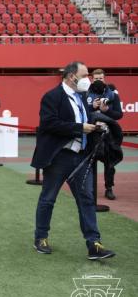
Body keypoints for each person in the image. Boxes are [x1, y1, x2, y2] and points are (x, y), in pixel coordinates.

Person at [31, 61, 115, 260]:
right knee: (48, 198)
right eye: (85, 75)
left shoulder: (82, 97)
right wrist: (79, 128)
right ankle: (41, 237)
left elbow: (83, 120)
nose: (89, 79)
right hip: (59, 156)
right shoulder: (52, 96)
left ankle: (94, 244)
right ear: (71, 76)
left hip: (81, 157)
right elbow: (49, 124)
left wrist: (96, 125)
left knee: (86, 199)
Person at [86, 68, 123, 200]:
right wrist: (91, 107)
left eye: (101, 78)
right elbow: (81, 114)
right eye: (96, 79)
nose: (98, 81)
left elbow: (119, 115)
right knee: (88, 161)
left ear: (104, 79)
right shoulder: (86, 93)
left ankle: (109, 188)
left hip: (108, 135)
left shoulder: (113, 94)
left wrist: (106, 110)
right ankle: (88, 188)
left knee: (109, 162)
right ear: (92, 79)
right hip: (91, 133)